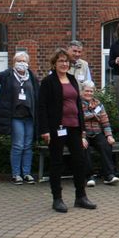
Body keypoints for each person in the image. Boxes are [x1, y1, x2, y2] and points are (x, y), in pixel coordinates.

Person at [39, 48, 97, 213]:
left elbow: (78, 105)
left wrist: (82, 129)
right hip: (57, 128)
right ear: (54, 63)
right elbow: (42, 107)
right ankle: (57, 199)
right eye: (61, 61)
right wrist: (44, 130)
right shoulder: (48, 82)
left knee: (79, 161)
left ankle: (81, 196)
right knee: (57, 162)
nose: (64, 64)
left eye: (66, 61)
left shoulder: (72, 79)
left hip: (74, 127)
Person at [0, 51, 40, 184]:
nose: (22, 63)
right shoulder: (7, 75)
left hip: (29, 117)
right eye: (19, 61)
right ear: (14, 63)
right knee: (18, 145)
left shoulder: (31, 76)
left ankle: (27, 173)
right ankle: (16, 174)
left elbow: (37, 94)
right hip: (15, 117)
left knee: (28, 145)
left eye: (24, 61)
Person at [81, 81, 119, 186]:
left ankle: (109, 176)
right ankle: (89, 176)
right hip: (83, 134)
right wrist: (82, 137)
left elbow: (105, 121)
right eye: (86, 91)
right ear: (81, 91)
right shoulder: (77, 103)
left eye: (91, 91)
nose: (89, 93)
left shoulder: (99, 104)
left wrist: (109, 135)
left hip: (97, 132)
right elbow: (78, 120)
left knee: (106, 145)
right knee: (84, 147)